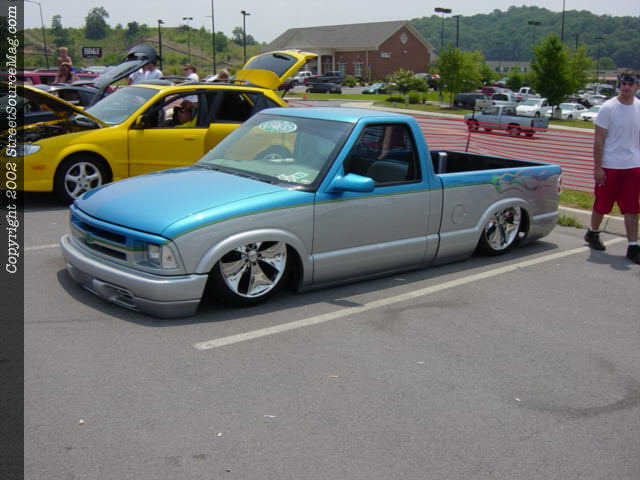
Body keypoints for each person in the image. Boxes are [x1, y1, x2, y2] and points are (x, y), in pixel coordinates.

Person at [584, 72, 640, 264]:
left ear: (637, 87)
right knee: (602, 204)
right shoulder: (608, 108)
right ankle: (593, 233)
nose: (626, 87)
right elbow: (598, 139)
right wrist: (597, 168)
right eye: (623, 84)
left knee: (632, 207)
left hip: (633, 166)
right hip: (610, 166)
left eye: (630, 84)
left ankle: (633, 246)